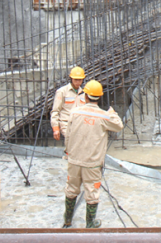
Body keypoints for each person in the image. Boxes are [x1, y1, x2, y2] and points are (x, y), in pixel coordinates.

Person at [63, 80, 123, 228]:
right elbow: (119, 126)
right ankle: (90, 223)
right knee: (92, 191)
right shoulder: (103, 117)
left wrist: (68, 152)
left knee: (71, 189)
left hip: (74, 160)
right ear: (99, 97)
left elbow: (68, 136)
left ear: (86, 96)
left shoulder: (75, 112)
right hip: (92, 163)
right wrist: (112, 113)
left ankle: (67, 218)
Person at [51, 66, 87, 151]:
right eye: (76, 80)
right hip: (66, 123)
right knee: (72, 141)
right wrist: (56, 128)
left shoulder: (84, 93)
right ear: (71, 79)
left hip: (80, 123)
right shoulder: (62, 92)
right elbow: (55, 111)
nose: (78, 82)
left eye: (80, 80)